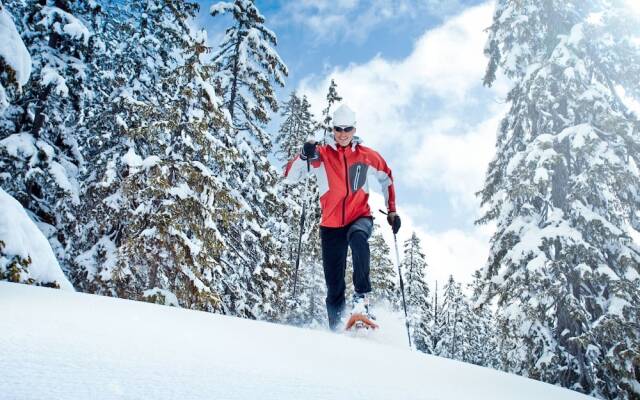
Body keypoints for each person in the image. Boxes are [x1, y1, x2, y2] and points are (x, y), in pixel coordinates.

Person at [284, 104, 401, 331]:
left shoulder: (366, 155)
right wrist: (302, 156)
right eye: (339, 129)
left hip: (360, 216)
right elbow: (290, 177)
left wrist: (392, 210)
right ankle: (337, 329)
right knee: (334, 285)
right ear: (333, 129)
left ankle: (361, 301)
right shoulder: (321, 155)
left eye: (348, 129)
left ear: (354, 129)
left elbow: (386, 177)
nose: (343, 134)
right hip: (331, 225)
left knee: (359, 239)